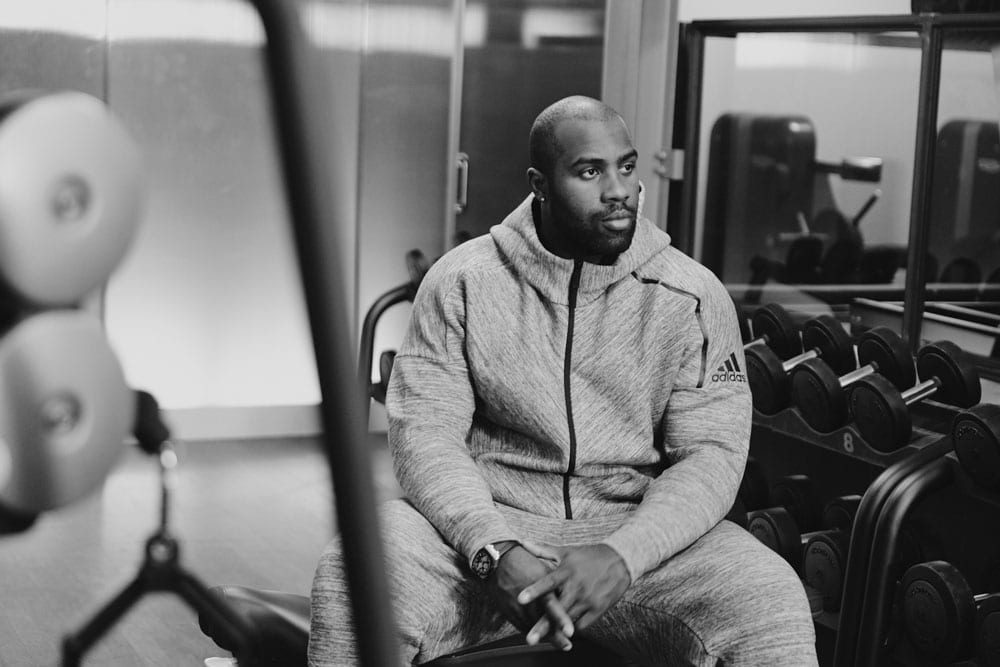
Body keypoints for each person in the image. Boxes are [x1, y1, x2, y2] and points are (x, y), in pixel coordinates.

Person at [309, 95, 818, 666]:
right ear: (540, 183)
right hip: (491, 531)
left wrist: (624, 553)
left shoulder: (692, 295)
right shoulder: (463, 283)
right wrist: (492, 548)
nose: (618, 190)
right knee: (356, 572)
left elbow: (712, 455)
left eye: (626, 167)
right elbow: (426, 436)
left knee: (768, 600)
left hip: (638, 542)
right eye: (589, 171)